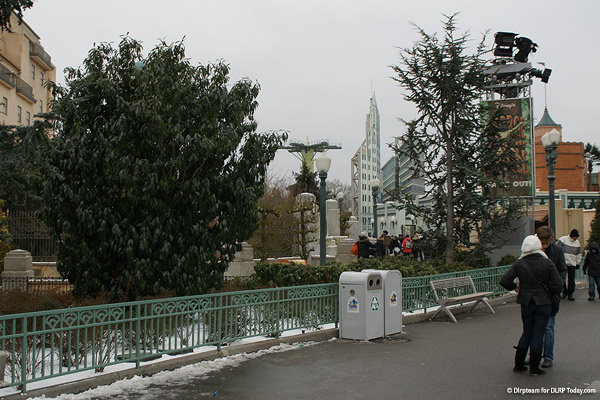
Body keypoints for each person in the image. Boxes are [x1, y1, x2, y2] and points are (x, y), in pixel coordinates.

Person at [500, 235, 563, 375]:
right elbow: (558, 285)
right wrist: (549, 290)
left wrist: (515, 286)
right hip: (544, 303)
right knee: (539, 333)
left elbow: (504, 281)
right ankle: (534, 367)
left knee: (527, 331)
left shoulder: (519, 263)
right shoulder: (548, 263)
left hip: (526, 302)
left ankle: (518, 364)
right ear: (538, 246)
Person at [535, 226, 567, 368]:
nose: (544, 246)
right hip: (535, 295)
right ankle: (534, 355)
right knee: (534, 328)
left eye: (546, 244)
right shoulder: (532, 250)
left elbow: (562, 269)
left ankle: (548, 356)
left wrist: (557, 287)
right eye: (542, 243)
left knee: (548, 327)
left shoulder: (557, 251)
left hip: (550, 295)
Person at [557, 229, 582, 301]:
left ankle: (570, 293)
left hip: (572, 263)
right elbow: (556, 249)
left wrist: (578, 263)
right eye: (576, 237)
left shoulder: (577, 243)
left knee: (571, 279)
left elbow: (578, 254)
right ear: (572, 236)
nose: (576, 238)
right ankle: (564, 290)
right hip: (563, 263)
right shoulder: (563, 239)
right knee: (562, 278)